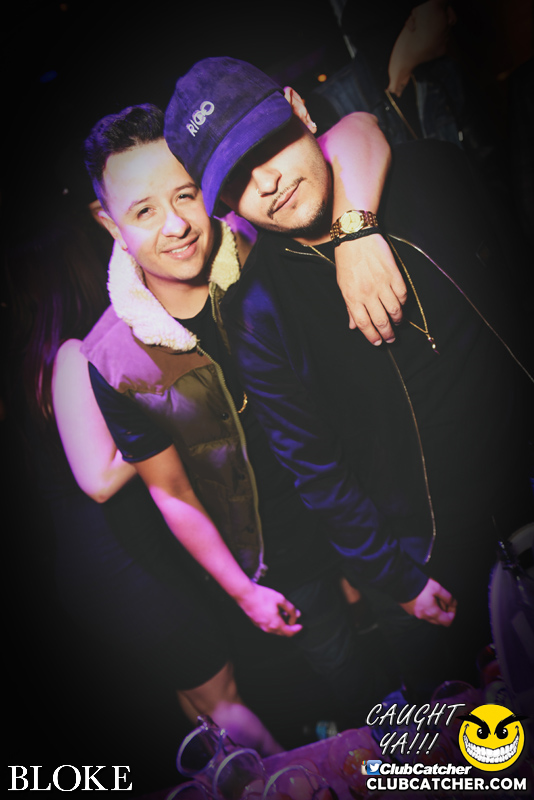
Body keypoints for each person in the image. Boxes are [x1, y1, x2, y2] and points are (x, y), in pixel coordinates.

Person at [163, 56, 534, 699]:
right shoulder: (256, 316)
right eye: (239, 178)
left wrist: (356, 231)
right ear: (225, 204)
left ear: (299, 110)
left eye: (267, 144)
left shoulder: (432, 172)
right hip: (442, 562)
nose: (268, 182)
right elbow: (318, 472)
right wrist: (399, 578)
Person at [80, 101, 406, 728]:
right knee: (353, 687)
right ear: (108, 222)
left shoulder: (266, 241)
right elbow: (172, 492)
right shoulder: (115, 357)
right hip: (279, 558)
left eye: (185, 193)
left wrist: (358, 233)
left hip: (366, 501)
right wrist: (243, 589)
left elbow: (356, 131)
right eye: (144, 211)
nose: (177, 225)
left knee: (426, 650)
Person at [2, 199, 289, 760]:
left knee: (201, 704)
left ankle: (240, 781)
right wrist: (168, 424)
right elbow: (98, 478)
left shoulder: (31, 358)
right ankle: (294, 779)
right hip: (123, 568)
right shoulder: (74, 353)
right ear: (77, 268)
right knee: (224, 699)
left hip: (97, 570)